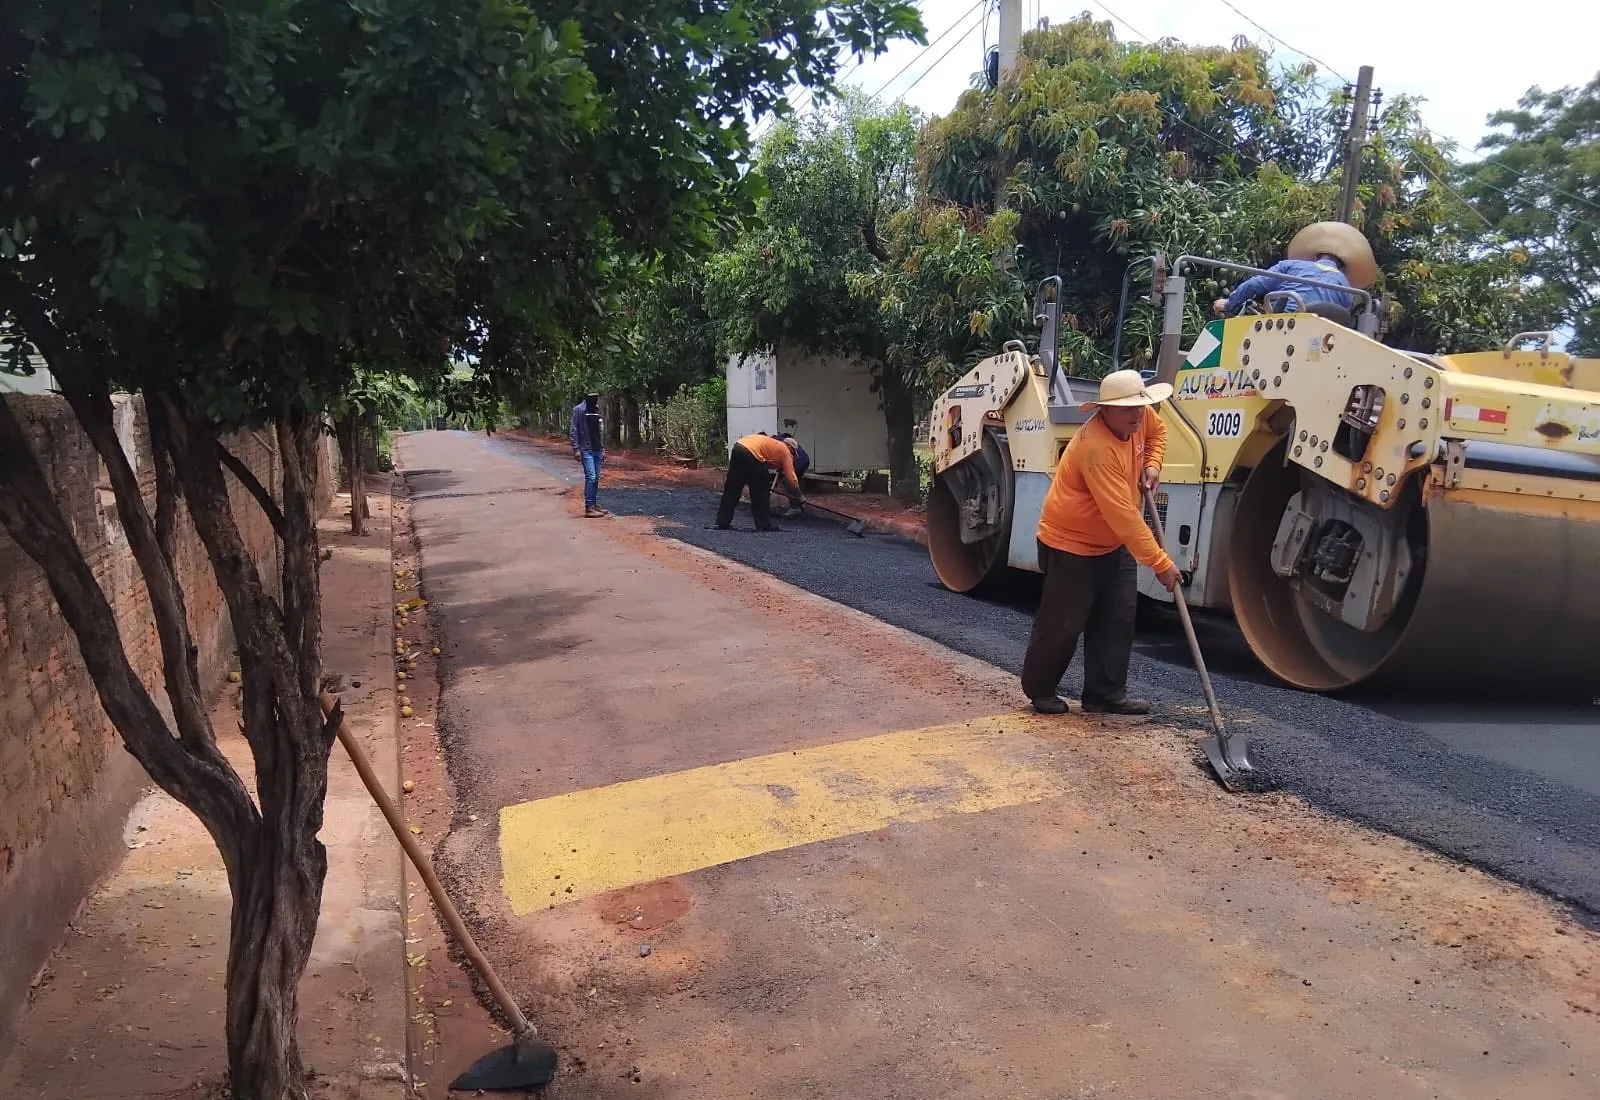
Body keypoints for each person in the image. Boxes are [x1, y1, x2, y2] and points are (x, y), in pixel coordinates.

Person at [1021, 369, 1183, 716]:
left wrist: (1153, 465)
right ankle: (1041, 690)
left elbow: (1159, 433)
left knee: (1117, 618)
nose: (1137, 414)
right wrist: (1161, 563)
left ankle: (1105, 694)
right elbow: (1124, 515)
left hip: (1112, 542)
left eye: (1140, 406)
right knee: (1063, 622)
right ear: (1105, 410)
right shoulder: (1096, 447)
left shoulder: (1142, 418)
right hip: (1071, 544)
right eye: (1128, 409)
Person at [1212, 220, 1377, 318]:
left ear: (1315, 256)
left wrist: (1229, 303)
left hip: (1285, 323)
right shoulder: (1346, 287)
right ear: (1342, 267)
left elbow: (1255, 284)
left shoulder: (1291, 265)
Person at [715, 432, 804, 532]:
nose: (792, 455)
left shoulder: (771, 442)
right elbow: (791, 477)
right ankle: (764, 525)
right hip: (752, 455)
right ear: (789, 447)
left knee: (732, 489)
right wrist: (799, 495)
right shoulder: (785, 451)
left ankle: (722, 522)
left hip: (738, 448)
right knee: (761, 493)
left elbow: (767, 460)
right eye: (793, 452)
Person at [569, 392, 606, 518]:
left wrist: (603, 448)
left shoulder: (597, 410)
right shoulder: (578, 410)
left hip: (597, 449)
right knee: (591, 476)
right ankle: (589, 507)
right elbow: (574, 430)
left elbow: (599, 431)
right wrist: (576, 449)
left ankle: (594, 504)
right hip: (586, 449)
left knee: (596, 478)